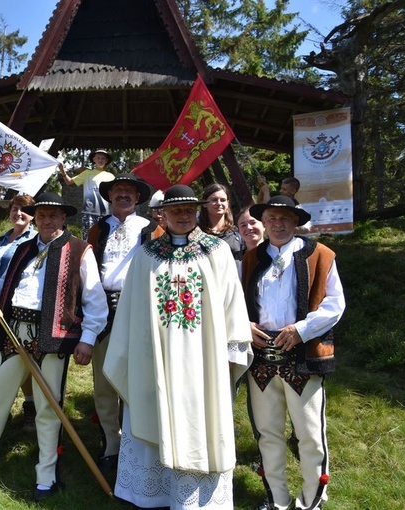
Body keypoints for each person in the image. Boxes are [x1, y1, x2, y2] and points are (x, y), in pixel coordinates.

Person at [103, 184, 253, 509]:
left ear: (197, 211)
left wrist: (232, 354)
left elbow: (232, 305)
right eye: (176, 211)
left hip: (204, 363)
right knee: (150, 417)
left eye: (189, 210)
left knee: (202, 422)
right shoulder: (145, 256)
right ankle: (153, 497)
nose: (183, 216)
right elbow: (130, 314)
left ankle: (198, 501)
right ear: (163, 214)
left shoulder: (217, 251)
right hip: (154, 361)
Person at [0, 192, 108, 502]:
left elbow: (95, 302)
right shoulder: (23, 249)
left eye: (53, 215)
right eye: (41, 215)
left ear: (64, 217)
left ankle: (46, 474)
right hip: (13, 331)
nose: (47, 220)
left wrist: (87, 339)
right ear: (35, 217)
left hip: (51, 338)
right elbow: (6, 286)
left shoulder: (80, 251)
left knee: (47, 408)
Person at [241, 196, 345, 510]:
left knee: (310, 435)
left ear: (295, 221)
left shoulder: (321, 255)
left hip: (302, 357)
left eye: (285, 218)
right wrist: (243, 326)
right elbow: (233, 303)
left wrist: (300, 330)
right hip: (261, 360)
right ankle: (277, 499)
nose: (278, 223)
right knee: (268, 434)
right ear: (264, 222)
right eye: (271, 218)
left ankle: (312, 501)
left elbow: (335, 304)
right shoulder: (250, 258)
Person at [85, 173, 153, 474]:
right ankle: (111, 444)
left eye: (129, 191)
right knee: (103, 382)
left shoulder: (153, 229)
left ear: (137, 198)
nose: (123, 195)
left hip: (138, 310)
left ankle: (136, 442)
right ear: (109, 196)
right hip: (102, 310)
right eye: (117, 191)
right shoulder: (97, 229)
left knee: (136, 381)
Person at [0, 194, 38, 430]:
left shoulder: (34, 241)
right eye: (15, 208)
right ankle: (0, 408)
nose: (18, 213)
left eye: (24, 210)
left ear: (32, 215)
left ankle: (30, 405)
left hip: (13, 305)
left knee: (21, 360)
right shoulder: (1, 239)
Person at [59, 149, 115, 240]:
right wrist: (62, 171)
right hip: (89, 212)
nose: (100, 160)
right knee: (88, 238)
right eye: (98, 158)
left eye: (103, 158)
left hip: (105, 213)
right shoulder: (86, 174)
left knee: (104, 239)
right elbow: (69, 182)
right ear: (94, 159)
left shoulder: (111, 177)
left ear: (106, 161)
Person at [199, 183, 245, 260]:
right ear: (204, 204)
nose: (219, 203)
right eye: (214, 200)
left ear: (227, 203)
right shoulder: (197, 234)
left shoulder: (237, 233)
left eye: (223, 200)